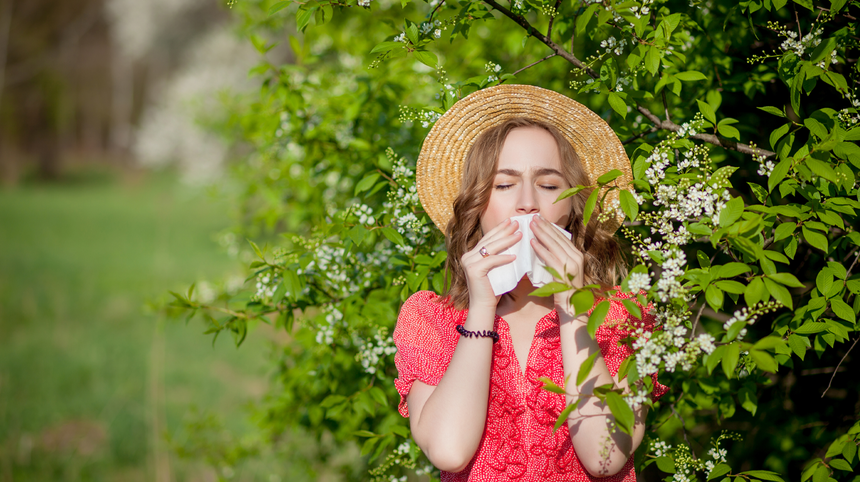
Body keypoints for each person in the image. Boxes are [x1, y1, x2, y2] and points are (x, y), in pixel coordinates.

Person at [393, 84, 667, 481]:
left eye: (549, 184)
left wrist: (574, 309)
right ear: (476, 205)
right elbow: (449, 451)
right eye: (503, 184)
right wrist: (482, 309)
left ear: (575, 205)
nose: (527, 202)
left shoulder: (623, 315)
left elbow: (604, 458)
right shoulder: (430, 318)